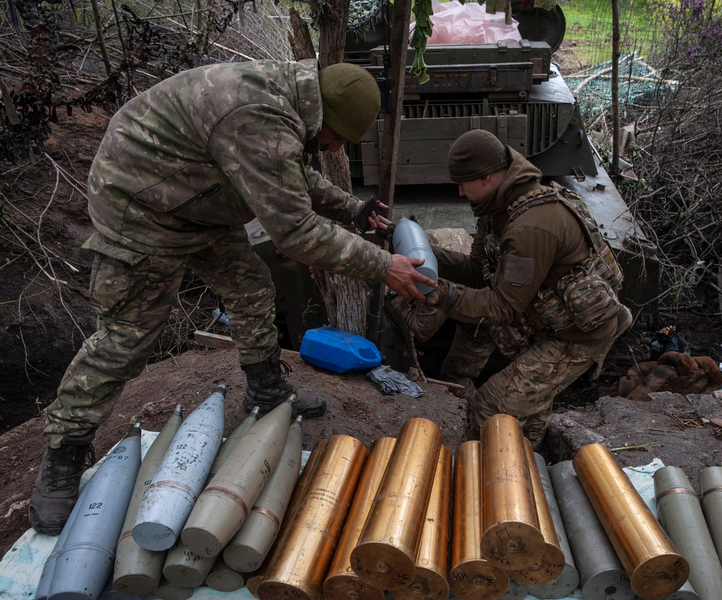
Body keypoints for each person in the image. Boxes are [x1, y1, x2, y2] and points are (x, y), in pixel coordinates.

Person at [29, 59, 435, 535]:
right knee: (128, 336)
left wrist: (353, 209)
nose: (335, 148)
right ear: (322, 115)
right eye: (337, 137)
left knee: (250, 287)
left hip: (199, 198)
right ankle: (63, 453)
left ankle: (265, 391)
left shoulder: (289, 102)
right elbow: (295, 232)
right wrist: (383, 265)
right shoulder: (257, 115)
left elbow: (291, 175)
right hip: (139, 207)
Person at [400, 129, 632, 447]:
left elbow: (503, 307)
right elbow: (474, 270)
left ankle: (502, 475)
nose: (458, 192)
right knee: (524, 406)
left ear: (485, 177)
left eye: (462, 182)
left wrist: (444, 294)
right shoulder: (498, 209)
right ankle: (531, 458)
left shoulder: (530, 228)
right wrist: (418, 252)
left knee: (490, 408)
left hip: (578, 336)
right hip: (547, 323)